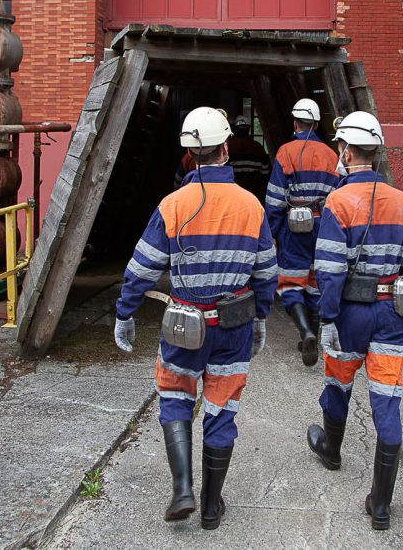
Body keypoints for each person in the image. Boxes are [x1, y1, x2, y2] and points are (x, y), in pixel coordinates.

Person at [114, 106, 278, 530]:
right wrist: (260, 317)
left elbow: (142, 267)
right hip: (234, 325)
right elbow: (266, 272)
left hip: (184, 323)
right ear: (225, 148)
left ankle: (182, 487)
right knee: (222, 406)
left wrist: (125, 313)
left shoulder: (172, 204)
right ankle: (210, 505)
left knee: (175, 394)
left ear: (189, 154)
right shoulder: (251, 206)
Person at [305, 111, 403, 531]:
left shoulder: (338, 202)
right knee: (387, 396)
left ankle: (332, 450)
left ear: (346, 150)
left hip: (350, 312)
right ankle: (382, 504)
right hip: (391, 314)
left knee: (338, 383)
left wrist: (328, 317)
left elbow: (331, 270)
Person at [265, 99, 339, 366]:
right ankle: (315, 337)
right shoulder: (332, 156)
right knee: (316, 279)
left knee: (290, 280)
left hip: (294, 226)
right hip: (323, 224)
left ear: (295, 123)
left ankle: (305, 331)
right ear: (317, 125)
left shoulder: (285, 152)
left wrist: (271, 232)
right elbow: (338, 197)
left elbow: (275, 199)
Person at [226, 115, 271, 201]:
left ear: (235, 129)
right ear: (249, 129)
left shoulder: (228, 148)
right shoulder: (258, 148)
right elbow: (265, 172)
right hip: (253, 194)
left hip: (232, 194)